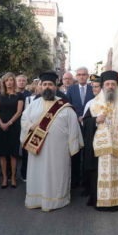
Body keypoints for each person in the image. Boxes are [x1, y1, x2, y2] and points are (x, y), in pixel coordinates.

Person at [20, 71, 83, 212]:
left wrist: (72, 147)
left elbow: (73, 126)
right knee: (38, 173)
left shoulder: (64, 106)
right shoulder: (33, 105)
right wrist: (31, 126)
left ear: (55, 87)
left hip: (59, 151)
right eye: (44, 84)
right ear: (40, 86)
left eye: (50, 84)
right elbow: (24, 120)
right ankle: (37, 199)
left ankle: (57, 200)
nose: (47, 87)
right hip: (37, 148)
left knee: (57, 174)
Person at [82, 70, 118, 211]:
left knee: (117, 173)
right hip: (100, 148)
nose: (110, 87)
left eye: (113, 84)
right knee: (98, 174)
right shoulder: (94, 104)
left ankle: (116, 202)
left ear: (117, 86)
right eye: (107, 84)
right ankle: (98, 201)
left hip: (117, 146)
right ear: (103, 86)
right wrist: (95, 120)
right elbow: (86, 122)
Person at [0, 72, 24, 189]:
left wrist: (9, 123)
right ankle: (5, 178)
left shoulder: (19, 95)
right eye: (7, 80)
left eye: (11, 80)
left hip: (14, 127)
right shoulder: (0, 95)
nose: (9, 82)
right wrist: (1, 123)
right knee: (2, 153)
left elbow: (19, 112)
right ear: (4, 82)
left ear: (14, 81)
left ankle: (13, 178)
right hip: (1, 127)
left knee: (13, 154)